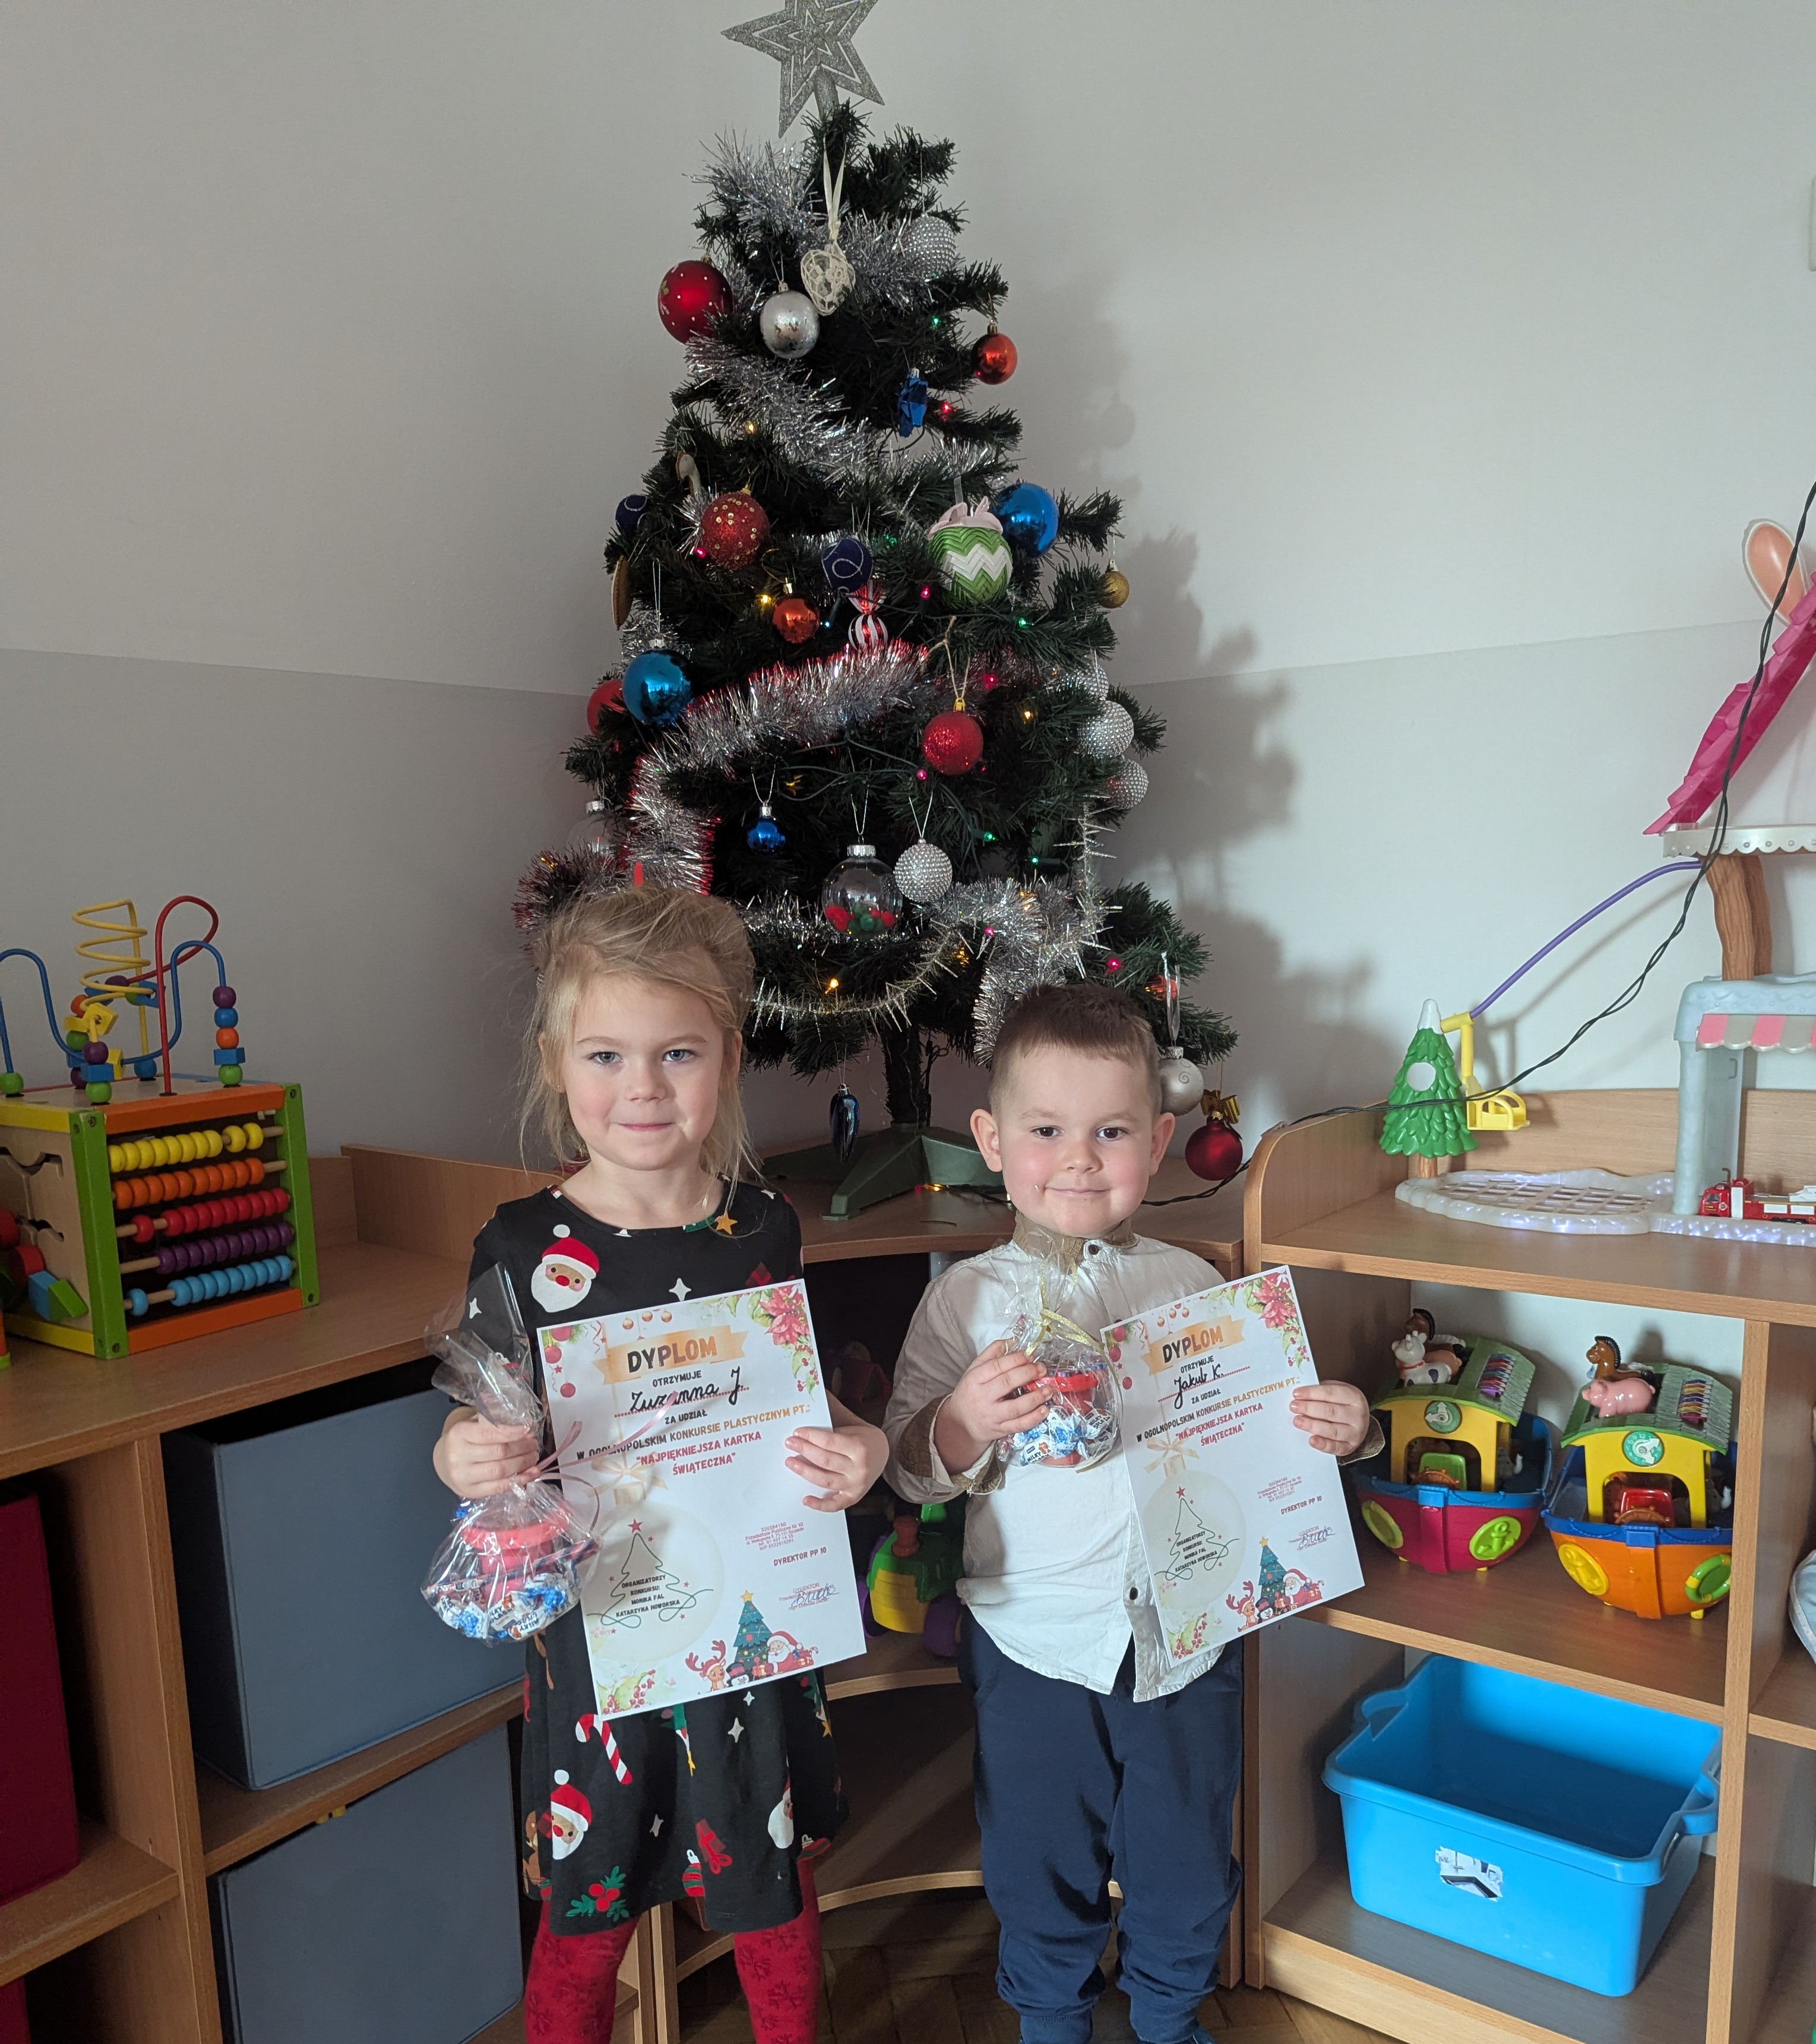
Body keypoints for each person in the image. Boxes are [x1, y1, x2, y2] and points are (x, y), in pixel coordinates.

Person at [434, 887, 888, 2044]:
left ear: (727, 1059)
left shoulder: (762, 1226)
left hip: (749, 1631)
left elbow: (799, 1394)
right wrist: (465, 1455)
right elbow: (474, 1420)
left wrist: (866, 1444)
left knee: (770, 1886)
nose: (642, 1086)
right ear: (557, 1064)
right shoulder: (521, 1244)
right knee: (586, 1906)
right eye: (606, 1054)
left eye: (677, 1052)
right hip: (599, 1641)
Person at [883, 983, 1377, 2044]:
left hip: (1186, 1637)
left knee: (1185, 1853)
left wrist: (1342, 1428)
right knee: (1036, 1856)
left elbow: (1257, 1439)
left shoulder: (1192, 1281)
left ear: (1155, 1142)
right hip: (1033, 1638)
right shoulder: (963, 1299)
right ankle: (1050, 2020)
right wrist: (962, 1421)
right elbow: (912, 1473)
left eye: (1109, 1131)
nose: (1077, 1158)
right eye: (1045, 1131)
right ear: (991, 1140)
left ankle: (1165, 2016)